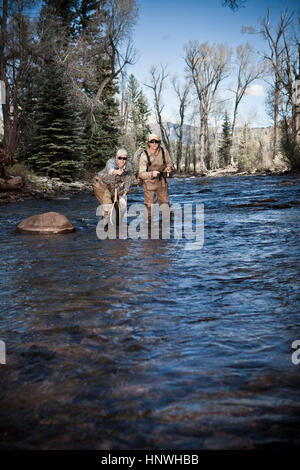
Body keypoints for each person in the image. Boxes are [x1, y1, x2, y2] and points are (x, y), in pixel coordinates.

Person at [138, 134, 174, 220]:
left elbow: (170, 163)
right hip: (148, 182)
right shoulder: (144, 155)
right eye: (152, 142)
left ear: (159, 143)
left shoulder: (164, 152)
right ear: (148, 143)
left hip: (161, 181)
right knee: (149, 206)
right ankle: (148, 228)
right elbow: (141, 174)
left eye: (156, 142)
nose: (154, 144)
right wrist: (151, 174)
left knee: (165, 205)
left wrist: (169, 168)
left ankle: (168, 228)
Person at [93, 148, 133, 219]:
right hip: (101, 184)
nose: (122, 160)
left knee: (120, 209)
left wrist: (123, 195)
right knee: (108, 206)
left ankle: (117, 226)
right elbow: (110, 170)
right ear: (116, 157)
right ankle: (105, 226)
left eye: (124, 158)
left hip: (114, 186)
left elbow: (128, 182)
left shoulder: (128, 166)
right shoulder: (111, 162)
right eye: (120, 158)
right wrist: (116, 171)